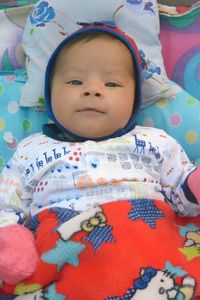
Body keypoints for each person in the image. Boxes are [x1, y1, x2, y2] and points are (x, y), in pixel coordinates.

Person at [0, 22, 200, 298]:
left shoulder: (156, 141)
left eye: (112, 83)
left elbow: (184, 199)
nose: (92, 90)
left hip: (147, 244)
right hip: (65, 247)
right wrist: (10, 238)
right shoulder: (31, 149)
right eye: (74, 81)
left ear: (134, 99)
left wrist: (192, 184)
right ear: (49, 93)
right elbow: (6, 204)